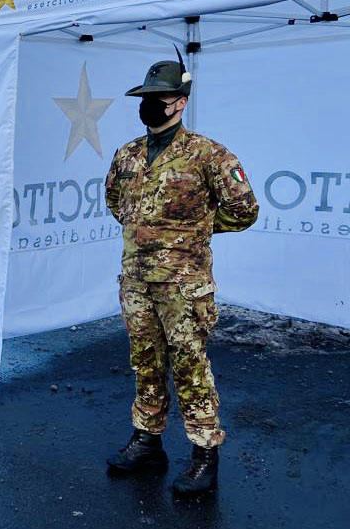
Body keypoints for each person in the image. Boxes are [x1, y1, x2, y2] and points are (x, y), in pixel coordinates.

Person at [104, 55, 258, 495]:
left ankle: (204, 454)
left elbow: (245, 210)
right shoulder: (128, 153)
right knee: (145, 363)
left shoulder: (207, 154)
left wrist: (195, 230)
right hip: (136, 280)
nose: (150, 104)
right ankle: (147, 441)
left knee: (190, 366)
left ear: (180, 103)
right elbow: (117, 203)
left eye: (159, 98)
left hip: (183, 285)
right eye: (146, 97)